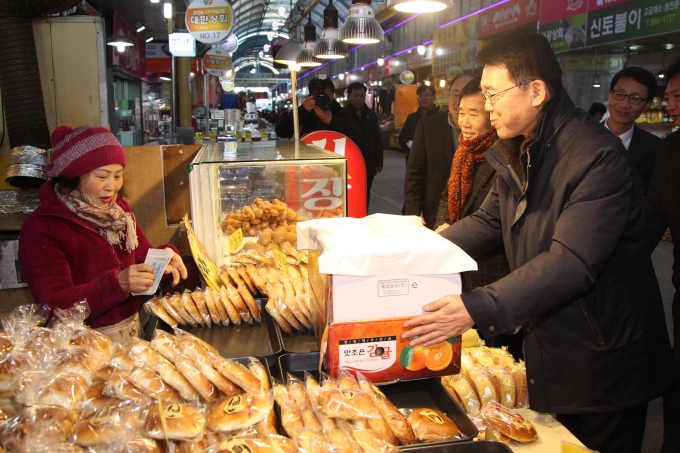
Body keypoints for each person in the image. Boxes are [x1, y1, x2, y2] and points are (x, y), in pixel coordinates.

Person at [402, 30, 672, 453]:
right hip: (556, 339)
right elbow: (490, 220)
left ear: (536, 91)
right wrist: (412, 256)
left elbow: (572, 262)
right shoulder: (521, 146)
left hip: (606, 353)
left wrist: (476, 307)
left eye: (493, 95)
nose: (486, 108)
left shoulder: (596, 157)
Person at [18, 125, 188, 344]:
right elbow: (52, 308)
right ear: (73, 176)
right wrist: (117, 285)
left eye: (118, 176)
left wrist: (163, 260)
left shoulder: (119, 213)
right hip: (82, 345)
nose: (112, 187)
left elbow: (141, 261)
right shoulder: (42, 228)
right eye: (102, 176)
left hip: (132, 333)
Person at [432, 77, 520, 360]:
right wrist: (442, 224)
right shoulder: (464, 153)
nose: (465, 122)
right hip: (459, 265)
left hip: (492, 270)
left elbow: (490, 219)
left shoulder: (504, 154)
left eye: (474, 114)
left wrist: (444, 237)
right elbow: (448, 196)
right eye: (461, 113)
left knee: (496, 355)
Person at [644, 59, 680, 453]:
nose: (670, 105)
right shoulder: (670, 152)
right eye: (667, 97)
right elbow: (648, 221)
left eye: (677, 96)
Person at [403, 73, 475, 230]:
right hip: (433, 215)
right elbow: (414, 174)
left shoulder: (487, 129)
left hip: (472, 219)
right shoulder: (428, 126)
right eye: (455, 95)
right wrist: (413, 215)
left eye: (466, 95)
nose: (459, 102)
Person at [603, 67, 660, 196]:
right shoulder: (582, 137)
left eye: (635, 98)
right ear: (609, 94)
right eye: (619, 94)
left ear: (647, 105)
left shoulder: (655, 149)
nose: (624, 104)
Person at [275, 77, 362, 146]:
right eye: (318, 96)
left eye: (327, 95)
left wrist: (331, 120)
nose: (323, 99)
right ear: (310, 95)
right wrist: (302, 110)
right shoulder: (306, 113)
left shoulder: (344, 113)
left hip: (336, 164)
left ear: (332, 94)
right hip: (307, 163)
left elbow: (358, 137)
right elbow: (281, 131)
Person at [345, 82, 384, 208]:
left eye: (362, 95)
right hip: (348, 162)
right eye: (355, 95)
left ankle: (363, 216)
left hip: (368, 161)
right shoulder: (343, 114)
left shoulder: (370, 114)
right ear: (348, 96)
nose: (359, 99)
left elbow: (377, 137)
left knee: (364, 195)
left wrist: (379, 162)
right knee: (349, 195)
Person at [397, 84, 439, 160]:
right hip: (414, 160)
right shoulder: (412, 118)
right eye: (420, 95)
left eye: (427, 95)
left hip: (435, 161)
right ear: (417, 99)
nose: (423, 98)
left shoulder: (440, 117)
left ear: (434, 98)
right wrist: (409, 144)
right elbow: (401, 138)